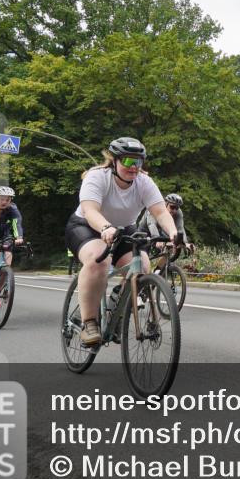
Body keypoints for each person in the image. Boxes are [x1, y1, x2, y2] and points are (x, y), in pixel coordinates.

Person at [64, 137, 179, 346]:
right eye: (128, 161)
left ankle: (117, 304)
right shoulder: (97, 177)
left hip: (125, 228)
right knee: (99, 261)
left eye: (138, 162)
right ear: (114, 160)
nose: (134, 167)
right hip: (87, 226)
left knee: (143, 268)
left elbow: (160, 211)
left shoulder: (144, 182)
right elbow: (90, 210)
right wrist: (106, 228)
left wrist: (173, 233)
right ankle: (90, 322)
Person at [138, 193, 188, 272]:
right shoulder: (156, 207)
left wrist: (185, 243)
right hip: (146, 231)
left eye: (177, 208)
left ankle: (157, 271)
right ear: (166, 203)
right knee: (144, 259)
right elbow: (151, 224)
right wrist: (157, 239)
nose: (174, 210)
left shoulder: (178, 213)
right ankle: (145, 276)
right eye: (172, 207)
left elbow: (180, 228)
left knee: (170, 247)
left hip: (161, 230)